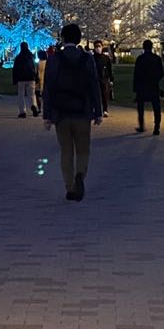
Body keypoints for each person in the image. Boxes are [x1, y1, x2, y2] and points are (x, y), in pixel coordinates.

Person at [42, 23, 103, 200]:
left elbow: (48, 88)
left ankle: (69, 187)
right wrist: (97, 111)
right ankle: (80, 175)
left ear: (63, 38)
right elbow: (94, 85)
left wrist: (47, 115)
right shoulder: (87, 58)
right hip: (82, 110)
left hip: (61, 112)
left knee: (66, 151)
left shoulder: (55, 59)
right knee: (83, 149)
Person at [132, 39, 164, 135]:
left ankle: (142, 126)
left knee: (140, 107)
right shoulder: (157, 58)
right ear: (152, 47)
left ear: (143, 47)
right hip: (153, 86)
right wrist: (155, 79)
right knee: (156, 107)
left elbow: (136, 74)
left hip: (142, 87)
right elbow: (162, 73)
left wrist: (136, 89)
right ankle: (156, 127)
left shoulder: (140, 59)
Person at [12, 42, 37, 117]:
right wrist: (35, 77)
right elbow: (33, 67)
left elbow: (15, 69)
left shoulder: (18, 57)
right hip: (31, 77)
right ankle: (33, 105)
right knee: (32, 94)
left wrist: (14, 80)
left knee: (21, 95)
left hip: (21, 78)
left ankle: (22, 112)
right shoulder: (31, 56)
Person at [93, 41, 114, 116]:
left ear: (102, 47)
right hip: (94, 79)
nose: (98, 48)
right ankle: (95, 109)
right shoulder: (92, 58)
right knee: (95, 95)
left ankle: (105, 109)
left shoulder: (106, 58)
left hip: (103, 78)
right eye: (96, 46)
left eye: (99, 46)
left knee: (104, 95)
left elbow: (109, 69)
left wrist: (111, 79)